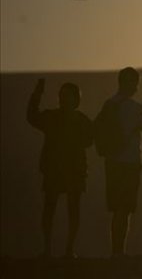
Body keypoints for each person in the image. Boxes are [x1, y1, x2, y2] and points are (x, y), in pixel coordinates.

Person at [26, 78, 93, 258]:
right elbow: (32, 117)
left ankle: (67, 249)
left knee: (69, 210)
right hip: (58, 169)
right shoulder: (62, 118)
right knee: (52, 209)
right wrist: (37, 94)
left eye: (67, 96)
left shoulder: (75, 120)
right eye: (62, 96)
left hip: (71, 170)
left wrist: (37, 94)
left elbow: (90, 139)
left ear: (75, 99)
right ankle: (51, 249)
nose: (64, 99)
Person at [98, 67, 142, 257]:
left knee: (116, 209)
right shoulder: (132, 107)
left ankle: (115, 250)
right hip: (130, 161)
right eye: (136, 83)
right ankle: (119, 252)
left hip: (112, 161)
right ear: (130, 83)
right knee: (125, 208)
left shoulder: (109, 104)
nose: (137, 87)